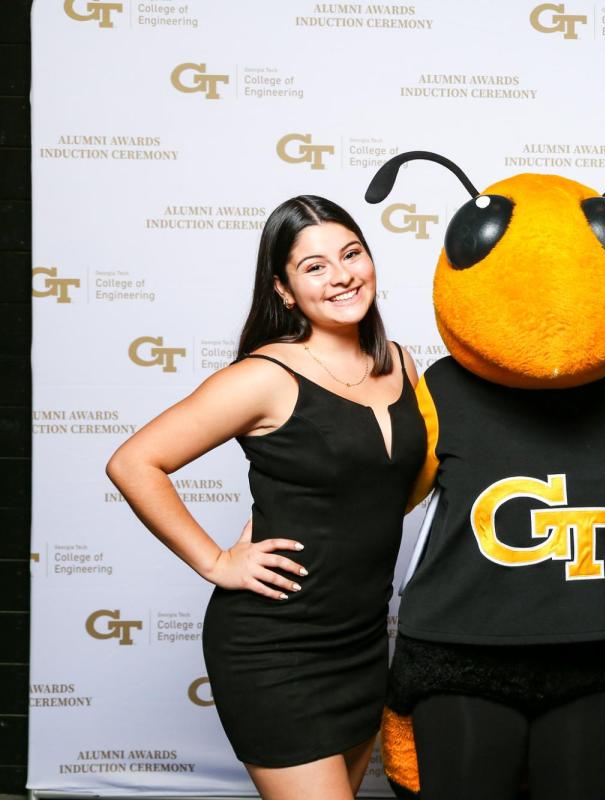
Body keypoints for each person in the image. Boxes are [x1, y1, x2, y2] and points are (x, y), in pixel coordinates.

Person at [106, 195, 424, 800]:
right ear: (283, 289)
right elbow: (134, 462)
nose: (342, 276)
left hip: (361, 641)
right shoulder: (264, 377)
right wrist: (216, 561)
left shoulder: (402, 364)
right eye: (315, 267)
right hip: (275, 647)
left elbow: (384, 489)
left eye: (352, 254)